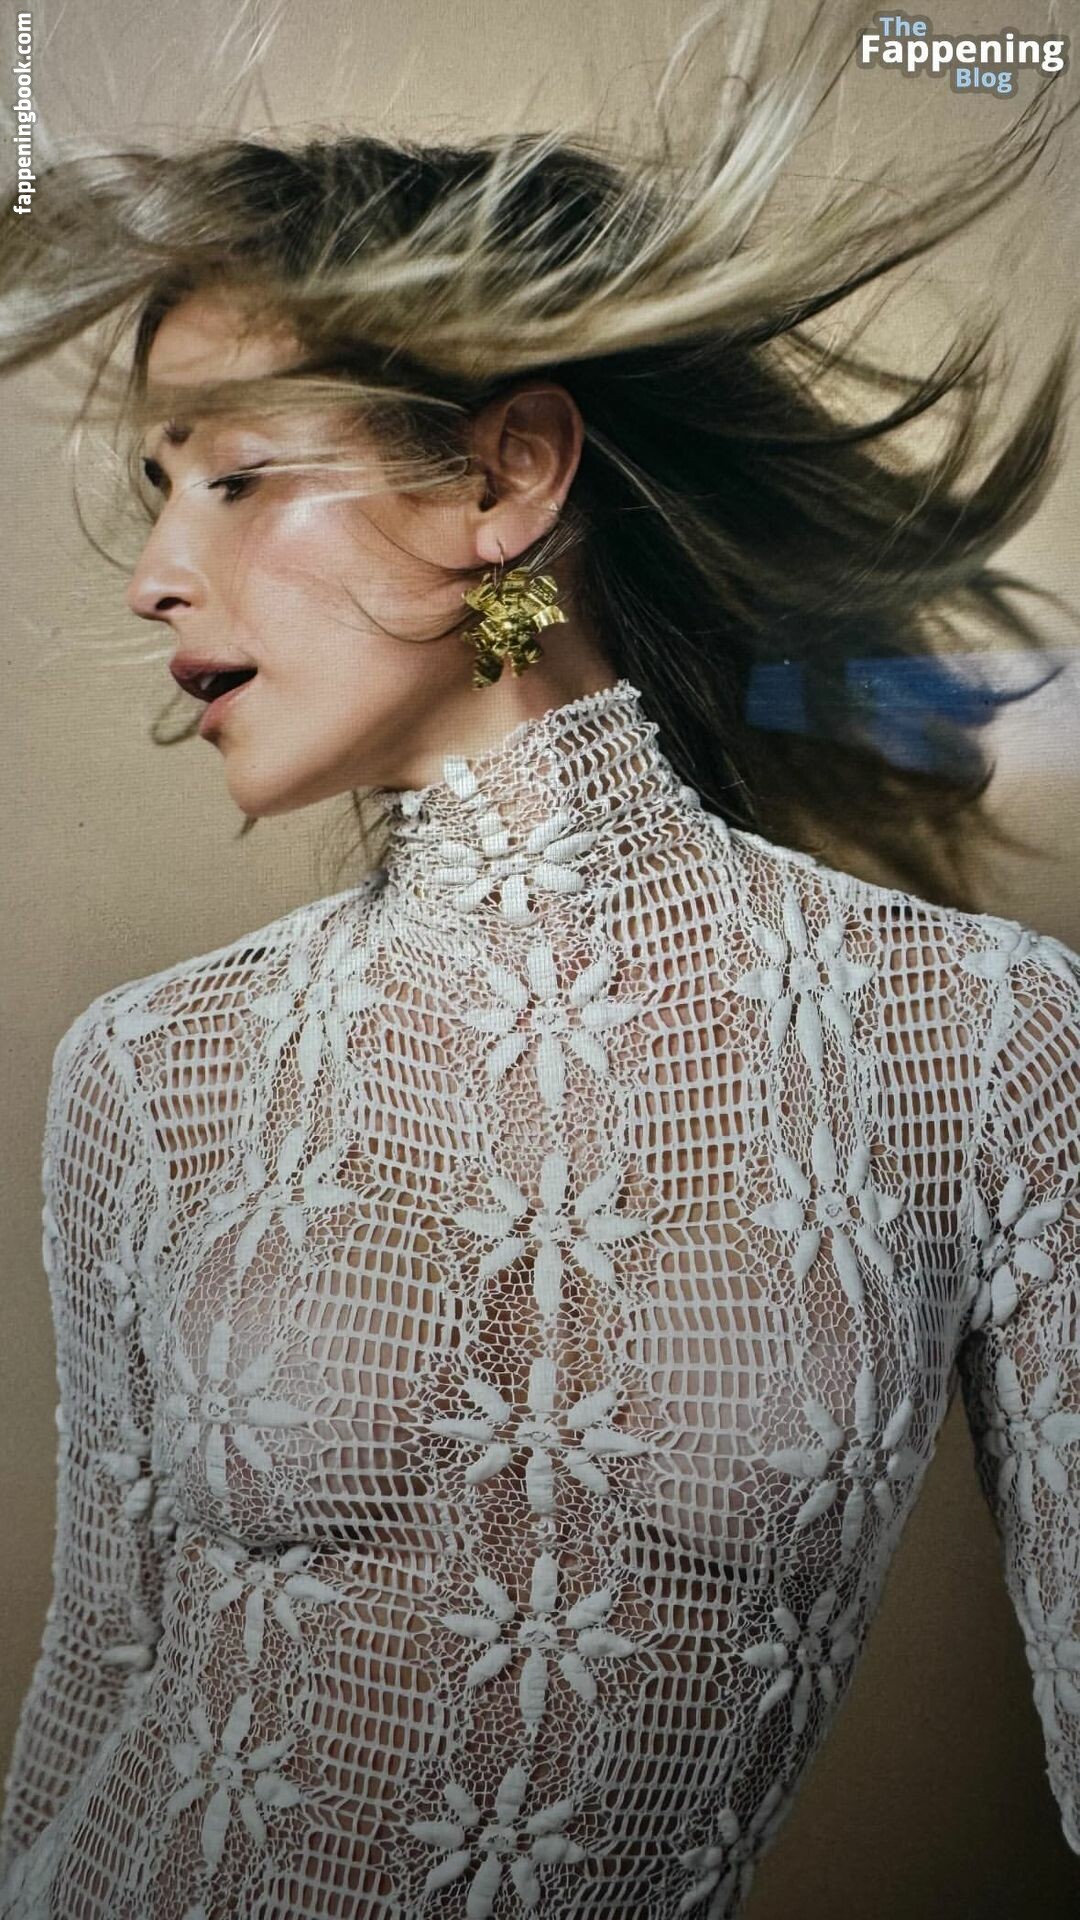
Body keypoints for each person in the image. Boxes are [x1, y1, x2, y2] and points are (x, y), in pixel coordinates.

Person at [1, 4, 1078, 1913]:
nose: (158, 572)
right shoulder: (153, 1070)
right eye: (161, 487)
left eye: (232, 473)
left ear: (506, 479)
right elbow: (95, 1688)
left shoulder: (979, 1039)